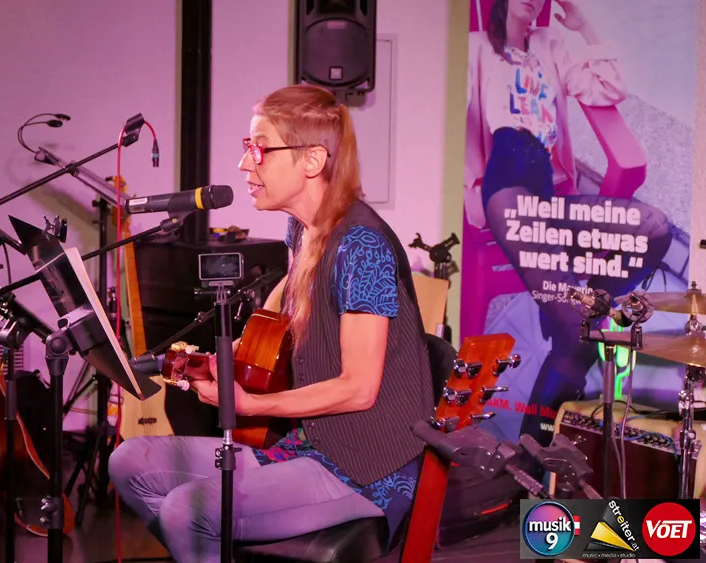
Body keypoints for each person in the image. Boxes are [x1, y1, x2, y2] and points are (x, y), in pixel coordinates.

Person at [108, 84, 435, 562]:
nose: (245, 164)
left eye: (260, 148)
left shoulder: (361, 246)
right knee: (129, 460)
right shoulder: (302, 227)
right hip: (309, 442)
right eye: (248, 147)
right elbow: (296, 313)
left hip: (366, 465)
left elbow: (359, 389)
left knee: (185, 511)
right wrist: (234, 354)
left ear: (312, 160)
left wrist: (250, 402)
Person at [464, 0, 672, 441]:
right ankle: (532, 453)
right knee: (579, 339)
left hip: (550, 203)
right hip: (508, 196)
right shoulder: (478, 48)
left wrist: (584, 27)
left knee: (654, 227)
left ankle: (576, 308)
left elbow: (609, 89)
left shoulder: (550, 45)